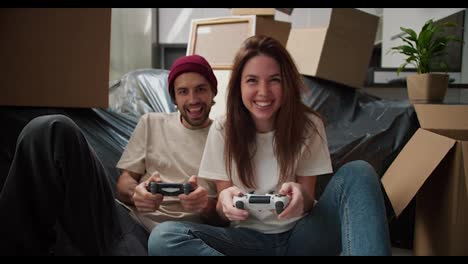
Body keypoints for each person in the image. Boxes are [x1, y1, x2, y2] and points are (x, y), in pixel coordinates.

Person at [147, 35, 392, 256]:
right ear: (239, 87)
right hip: (244, 240)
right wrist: (226, 202)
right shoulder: (223, 129)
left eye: (274, 80)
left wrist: (300, 197)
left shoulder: (309, 124)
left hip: (302, 237)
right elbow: (222, 208)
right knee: (163, 237)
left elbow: (307, 198)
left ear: (287, 84)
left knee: (359, 172)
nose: (263, 92)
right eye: (252, 81)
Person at [0, 54, 225, 256]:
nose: (193, 99)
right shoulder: (151, 123)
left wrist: (205, 205)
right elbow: (125, 182)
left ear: (213, 91)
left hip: (176, 240)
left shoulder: (226, 137)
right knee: (51, 128)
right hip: (127, 223)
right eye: (183, 91)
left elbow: (227, 214)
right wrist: (136, 193)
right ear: (174, 98)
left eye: (201, 89)